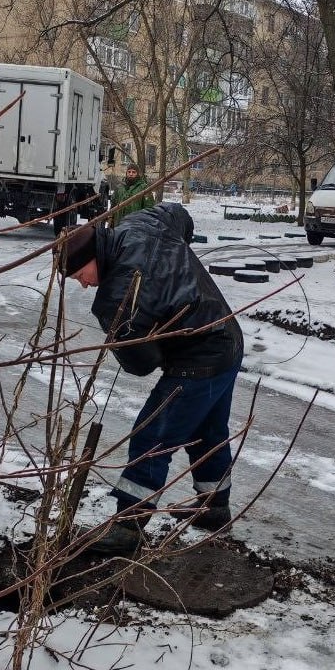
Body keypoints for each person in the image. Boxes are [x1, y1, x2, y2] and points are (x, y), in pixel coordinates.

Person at [56, 203, 244, 554]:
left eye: (79, 274)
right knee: (207, 431)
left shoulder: (116, 299)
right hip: (228, 337)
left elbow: (141, 364)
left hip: (197, 358)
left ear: (94, 255)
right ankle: (214, 507)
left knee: (151, 437)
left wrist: (153, 339)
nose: (82, 285)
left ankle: (128, 526)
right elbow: (179, 214)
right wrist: (179, 260)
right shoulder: (141, 223)